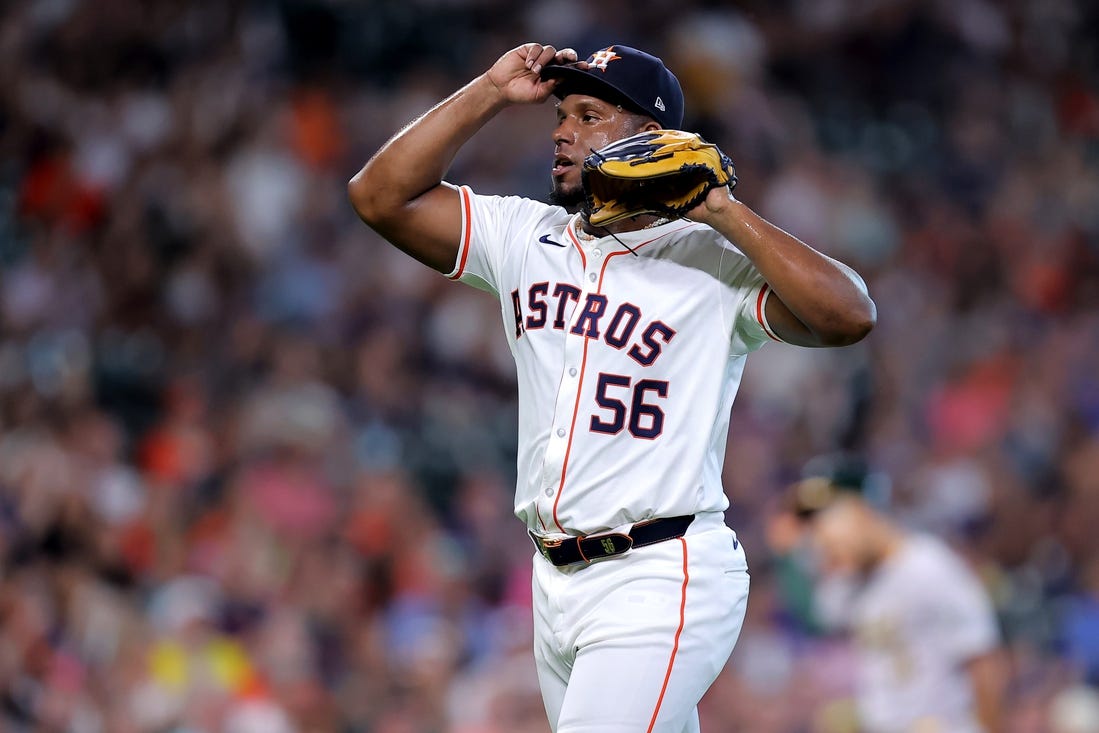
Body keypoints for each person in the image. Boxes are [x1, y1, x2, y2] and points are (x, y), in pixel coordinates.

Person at [348, 42, 876, 733]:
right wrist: (489, 91)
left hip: (659, 571)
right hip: (553, 581)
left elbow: (849, 315)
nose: (562, 132)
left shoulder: (711, 260)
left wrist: (724, 212)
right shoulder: (525, 236)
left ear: (651, 137)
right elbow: (379, 196)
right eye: (560, 115)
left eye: (589, 116)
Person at [768, 456, 1006, 733]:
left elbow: (983, 662)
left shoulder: (928, 566)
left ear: (864, 510)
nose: (820, 539)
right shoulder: (847, 583)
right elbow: (819, 615)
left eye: (826, 521)